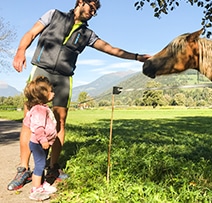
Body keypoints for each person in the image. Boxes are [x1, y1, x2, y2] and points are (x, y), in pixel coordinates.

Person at [8, 0, 150, 191]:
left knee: (61, 122)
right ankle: (24, 169)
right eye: (91, 7)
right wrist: (20, 51)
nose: (92, 12)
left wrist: (136, 56)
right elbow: (31, 33)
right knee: (28, 119)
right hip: (41, 72)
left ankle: (52, 168)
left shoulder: (87, 34)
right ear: (80, 2)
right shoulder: (53, 14)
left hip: (64, 77)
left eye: (94, 11)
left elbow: (110, 48)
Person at [23, 76, 58, 201]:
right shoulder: (39, 110)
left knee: (41, 164)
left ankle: (41, 185)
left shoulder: (41, 108)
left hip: (43, 143)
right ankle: (36, 189)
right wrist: (43, 140)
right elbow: (38, 128)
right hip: (39, 143)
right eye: (50, 91)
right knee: (40, 165)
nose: (53, 93)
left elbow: (27, 121)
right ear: (43, 94)